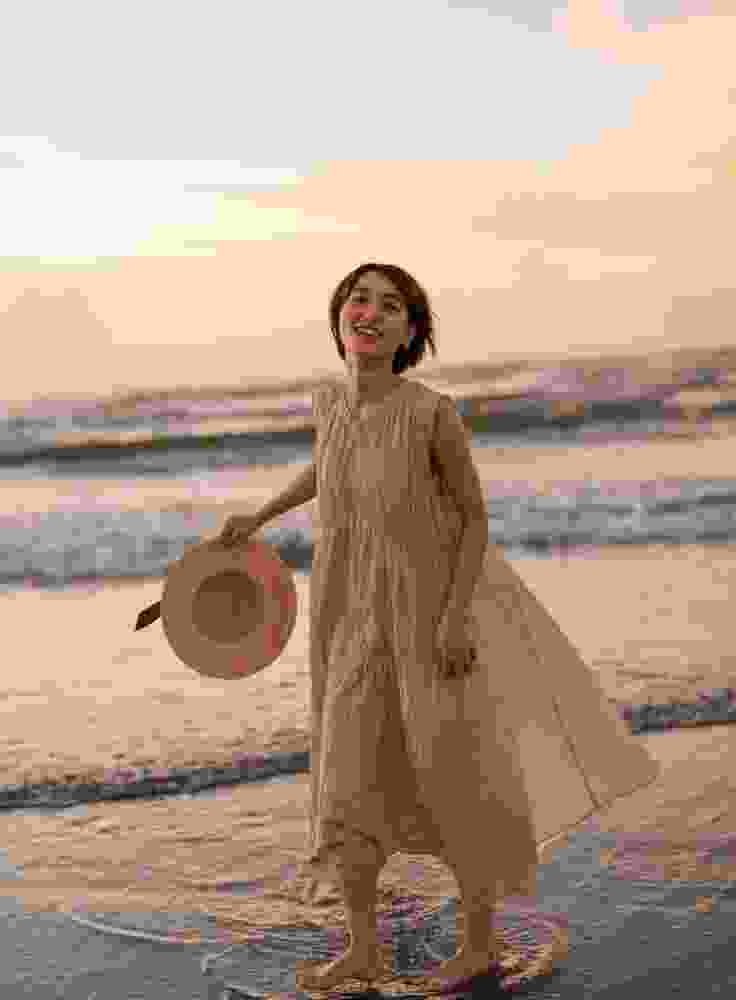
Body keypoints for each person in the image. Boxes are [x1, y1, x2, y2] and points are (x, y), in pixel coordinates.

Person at [220, 262, 660, 994]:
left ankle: (479, 946)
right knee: (346, 774)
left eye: (391, 306)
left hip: (425, 613)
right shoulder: (329, 402)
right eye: (359, 299)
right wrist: (260, 516)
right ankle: (362, 949)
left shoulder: (431, 413)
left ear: (411, 333)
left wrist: (453, 618)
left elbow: (474, 515)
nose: (370, 313)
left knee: (449, 772)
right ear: (339, 315)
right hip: (348, 610)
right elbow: (326, 469)